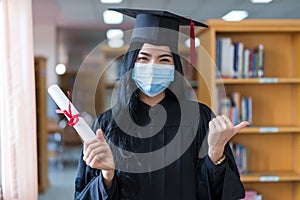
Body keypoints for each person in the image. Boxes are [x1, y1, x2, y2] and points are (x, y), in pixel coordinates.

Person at [74, 8, 249, 200]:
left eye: (164, 59)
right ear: (132, 64)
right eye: (144, 58)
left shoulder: (199, 119)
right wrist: (107, 176)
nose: (152, 66)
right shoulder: (107, 124)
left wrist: (215, 154)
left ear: (175, 68)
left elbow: (218, 193)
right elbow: (83, 193)